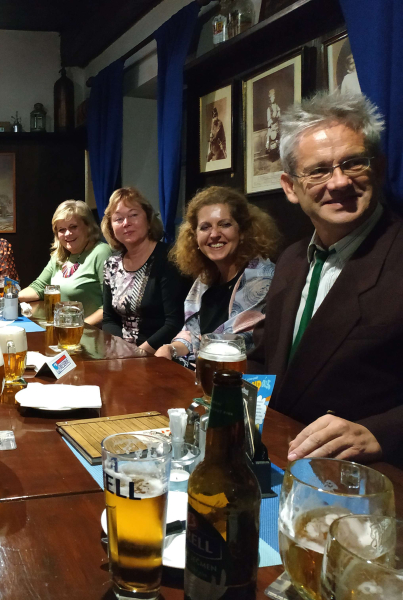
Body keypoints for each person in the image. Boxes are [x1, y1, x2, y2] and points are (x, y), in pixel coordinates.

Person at [255, 92, 403, 466]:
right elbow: (273, 360)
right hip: (282, 458)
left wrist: (382, 432)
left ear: (378, 168)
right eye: (319, 170)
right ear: (290, 187)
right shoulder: (290, 259)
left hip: (368, 478)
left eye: (353, 163)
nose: (338, 182)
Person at [155, 186, 279, 364]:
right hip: (207, 373)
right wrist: (171, 348)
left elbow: (239, 346)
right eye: (205, 227)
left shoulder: (264, 277)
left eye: (225, 224)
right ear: (195, 237)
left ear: (242, 232)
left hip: (249, 377)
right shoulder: (205, 279)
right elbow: (192, 335)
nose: (214, 234)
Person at [100, 188, 190, 353]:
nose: (126, 223)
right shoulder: (112, 264)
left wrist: (137, 354)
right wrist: (123, 350)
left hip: (160, 354)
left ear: (148, 220)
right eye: (118, 219)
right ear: (111, 228)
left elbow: (174, 322)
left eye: (133, 215)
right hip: (122, 353)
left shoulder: (170, 259)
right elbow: (108, 319)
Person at [20, 199, 112, 325]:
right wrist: (7, 298)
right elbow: (39, 287)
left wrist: (80, 327)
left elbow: (109, 305)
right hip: (63, 328)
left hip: (90, 332)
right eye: (61, 230)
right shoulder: (59, 255)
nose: (67, 234)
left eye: (73, 227)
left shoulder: (101, 252)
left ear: (88, 226)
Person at [266, 88, 282, 161]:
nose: (272, 98)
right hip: (272, 127)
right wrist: (272, 121)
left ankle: (277, 154)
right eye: (271, 96)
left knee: (278, 138)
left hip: (277, 125)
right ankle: (271, 154)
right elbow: (269, 120)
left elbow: (279, 115)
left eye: (274, 96)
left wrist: (278, 115)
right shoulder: (269, 109)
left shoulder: (277, 106)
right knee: (270, 138)